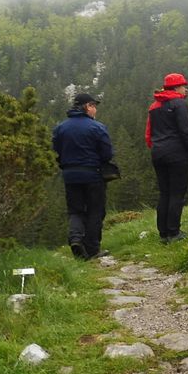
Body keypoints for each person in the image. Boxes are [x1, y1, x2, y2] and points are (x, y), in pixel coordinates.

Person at [51, 92, 114, 259]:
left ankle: (75, 239)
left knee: (75, 210)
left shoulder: (60, 128)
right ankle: (93, 249)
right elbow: (107, 154)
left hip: (70, 175)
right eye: (94, 106)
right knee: (95, 210)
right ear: (87, 106)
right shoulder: (97, 127)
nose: (95, 110)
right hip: (93, 174)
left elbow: (56, 148)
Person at [145, 72, 188, 243]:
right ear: (176, 87)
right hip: (176, 153)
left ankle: (163, 234)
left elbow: (148, 132)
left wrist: (154, 147)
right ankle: (174, 233)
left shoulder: (154, 106)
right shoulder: (179, 104)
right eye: (184, 86)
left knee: (165, 193)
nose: (186, 89)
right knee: (177, 193)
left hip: (158, 153)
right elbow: (186, 130)